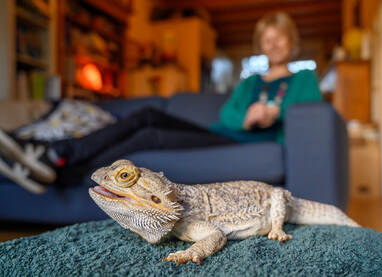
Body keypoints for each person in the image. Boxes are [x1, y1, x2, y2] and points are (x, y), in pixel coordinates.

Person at [0, 12, 321, 193]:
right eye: (268, 39)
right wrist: (246, 118)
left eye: (280, 37)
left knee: (149, 136)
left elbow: (307, 116)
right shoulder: (250, 81)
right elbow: (229, 113)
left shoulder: (303, 78)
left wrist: (274, 113)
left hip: (246, 143)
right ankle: (56, 152)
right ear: (261, 46)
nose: (274, 44)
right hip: (225, 132)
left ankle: (63, 166)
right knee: (148, 114)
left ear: (291, 42)